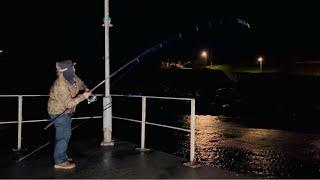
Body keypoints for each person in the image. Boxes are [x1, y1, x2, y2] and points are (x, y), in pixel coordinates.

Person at [47, 60, 91, 169]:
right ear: (67, 70)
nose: (74, 69)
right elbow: (69, 103)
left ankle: (61, 155)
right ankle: (59, 161)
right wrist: (83, 97)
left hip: (66, 112)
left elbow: (80, 84)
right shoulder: (60, 84)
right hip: (58, 112)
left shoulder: (72, 77)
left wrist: (86, 89)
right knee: (63, 136)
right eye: (72, 68)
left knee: (64, 135)